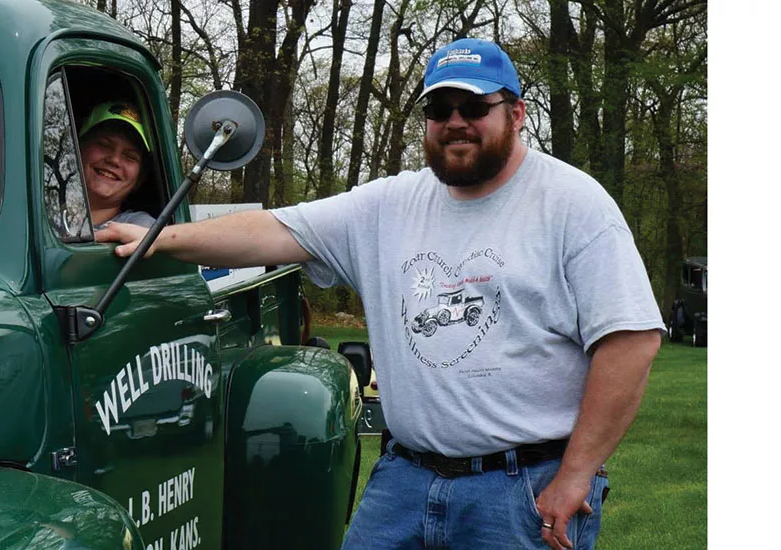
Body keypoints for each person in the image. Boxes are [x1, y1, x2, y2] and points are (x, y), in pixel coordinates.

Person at [96, 38, 664, 550]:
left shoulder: (572, 204)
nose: (456, 122)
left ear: (516, 113)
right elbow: (274, 229)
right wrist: (160, 238)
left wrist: (577, 474)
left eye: (474, 108)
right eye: (440, 110)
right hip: (404, 481)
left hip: (521, 490)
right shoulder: (389, 205)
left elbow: (631, 341)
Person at [78, 101, 156, 229]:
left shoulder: (142, 228)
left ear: (139, 179)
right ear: (79, 148)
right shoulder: (36, 208)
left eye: (130, 156)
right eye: (104, 145)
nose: (114, 160)